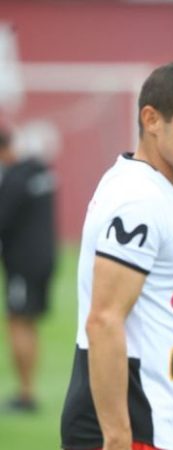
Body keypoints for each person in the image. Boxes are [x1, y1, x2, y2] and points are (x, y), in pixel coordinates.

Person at [60, 62, 173, 450]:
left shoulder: (166, 186)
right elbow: (103, 320)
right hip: (130, 426)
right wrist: (117, 436)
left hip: (153, 418)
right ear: (151, 119)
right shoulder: (139, 200)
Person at [0, 121, 56, 413]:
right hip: (46, 257)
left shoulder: (15, 179)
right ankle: (27, 388)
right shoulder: (40, 170)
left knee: (18, 321)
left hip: (22, 263)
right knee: (29, 322)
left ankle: (26, 393)